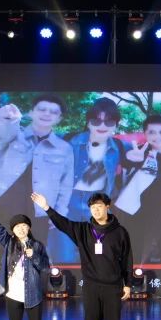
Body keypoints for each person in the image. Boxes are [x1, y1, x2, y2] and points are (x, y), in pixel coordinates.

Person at [31, 189, 132, 320]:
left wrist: (127, 284)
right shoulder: (83, 230)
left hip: (113, 287)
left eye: (99, 206)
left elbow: (127, 259)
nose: (96, 210)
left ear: (107, 207)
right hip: (91, 286)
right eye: (92, 207)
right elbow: (63, 224)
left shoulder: (120, 232)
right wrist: (46, 207)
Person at [0, 95, 74, 247]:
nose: (47, 114)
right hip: (2, 204)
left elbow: (66, 184)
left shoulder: (64, 149)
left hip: (39, 211)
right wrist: (6, 116)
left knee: (35, 251)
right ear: (31, 112)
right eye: (42, 109)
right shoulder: (14, 133)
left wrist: (59, 213)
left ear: (59, 118)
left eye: (54, 112)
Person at [48, 98, 127, 263]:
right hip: (67, 203)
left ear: (116, 125)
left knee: (99, 258)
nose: (102, 126)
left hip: (99, 204)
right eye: (96, 120)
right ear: (88, 122)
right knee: (65, 257)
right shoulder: (69, 140)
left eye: (109, 121)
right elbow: (39, 137)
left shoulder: (121, 147)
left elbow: (155, 146)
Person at [115, 113, 161, 263]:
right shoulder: (139, 152)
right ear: (145, 134)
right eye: (152, 132)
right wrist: (129, 159)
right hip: (139, 211)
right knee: (137, 252)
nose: (157, 136)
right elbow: (126, 164)